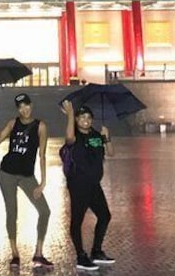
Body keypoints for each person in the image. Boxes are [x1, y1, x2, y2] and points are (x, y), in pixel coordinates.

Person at [0, 93, 53, 269]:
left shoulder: (40, 126)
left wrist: (42, 183)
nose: (24, 109)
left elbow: (42, 155)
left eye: (26, 105)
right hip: (7, 173)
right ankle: (15, 254)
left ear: (31, 105)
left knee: (45, 211)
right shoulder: (12, 123)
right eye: (20, 107)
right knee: (12, 212)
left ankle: (38, 254)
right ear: (17, 109)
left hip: (27, 176)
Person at [61, 100, 115, 271]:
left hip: (93, 184)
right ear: (77, 120)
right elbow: (69, 138)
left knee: (105, 216)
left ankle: (96, 251)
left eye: (89, 117)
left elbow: (111, 153)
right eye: (82, 117)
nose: (86, 120)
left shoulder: (96, 135)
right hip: (78, 184)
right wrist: (70, 114)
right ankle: (80, 256)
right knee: (77, 221)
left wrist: (107, 137)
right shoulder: (75, 136)